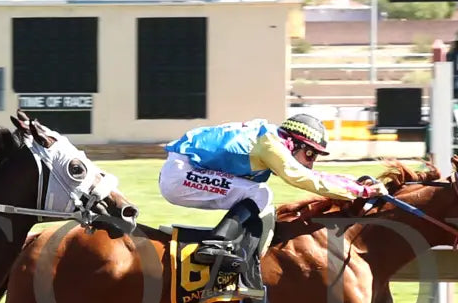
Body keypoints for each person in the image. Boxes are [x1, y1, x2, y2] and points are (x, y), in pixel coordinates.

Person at [159, 113, 386, 289]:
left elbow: (311, 175)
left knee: (257, 193)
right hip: (181, 175)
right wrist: (360, 192)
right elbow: (302, 177)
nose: (311, 162)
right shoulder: (270, 144)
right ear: (295, 143)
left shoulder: (271, 138)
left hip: (184, 170)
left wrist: (353, 184)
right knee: (259, 193)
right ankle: (216, 246)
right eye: (310, 155)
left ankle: (225, 245)